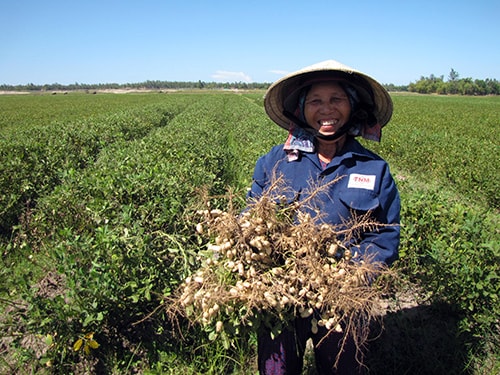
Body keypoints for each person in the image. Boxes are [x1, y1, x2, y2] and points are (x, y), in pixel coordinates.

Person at [247, 60, 400, 374]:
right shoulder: (276, 161)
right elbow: (251, 214)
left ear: (352, 106)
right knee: (278, 370)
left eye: (336, 100)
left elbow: (384, 237)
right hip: (281, 296)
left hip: (341, 301)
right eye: (316, 100)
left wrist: (346, 273)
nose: (326, 109)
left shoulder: (373, 168)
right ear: (302, 109)